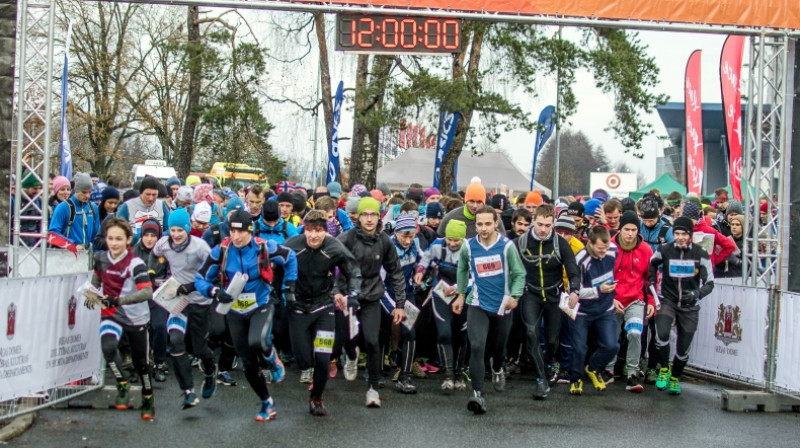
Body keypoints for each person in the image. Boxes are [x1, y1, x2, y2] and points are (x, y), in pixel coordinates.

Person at [195, 209, 294, 421]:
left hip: (260, 304)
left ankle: (272, 358)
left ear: (251, 231)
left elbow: (290, 256)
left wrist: (289, 285)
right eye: (232, 231)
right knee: (248, 363)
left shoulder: (264, 247)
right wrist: (213, 291)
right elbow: (200, 278)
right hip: (234, 310)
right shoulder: (221, 250)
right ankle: (267, 403)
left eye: (241, 232)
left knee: (257, 341)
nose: (236, 237)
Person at [283, 210, 361, 416]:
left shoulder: (335, 247)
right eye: (310, 230)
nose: (314, 236)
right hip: (298, 308)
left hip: (323, 307)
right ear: (304, 230)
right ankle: (307, 368)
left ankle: (316, 398)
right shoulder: (292, 245)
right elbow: (272, 267)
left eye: (319, 231)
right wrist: (282, 292)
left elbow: (353, 270)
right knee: (304, 360)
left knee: (323, 358)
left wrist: (352, 294)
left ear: (326, 232)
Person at [452, 205, 525, 414]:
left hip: (502, 306)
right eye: (479, 224)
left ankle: (497, 367)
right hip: (477, 304)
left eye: (487, 224)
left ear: (495, 224)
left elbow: (519, 274)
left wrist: (515, 296)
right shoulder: (468, 246)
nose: (483, 228)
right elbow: (463, 269)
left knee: (499, 348)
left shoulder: (506, 247)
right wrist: (460, 295)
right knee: (476, 346)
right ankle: (477, 394)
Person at [338, 197, 407, 408]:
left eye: (373, 214)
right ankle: (350, 356)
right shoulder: (346, 238)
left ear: (379, 217)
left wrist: (400, 304)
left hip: (371, 296)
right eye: (365, 214)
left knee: (372, 340)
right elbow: (329, 266)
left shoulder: (384, 241)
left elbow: (396, 272)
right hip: (348, 296)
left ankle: (373, 389)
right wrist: (335, 292)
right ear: (358, 217)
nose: (369, 219)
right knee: (349, 338)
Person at [84, 218, 155, 420]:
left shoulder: (136, 263)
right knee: (108, 348)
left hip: (135, 316)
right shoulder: (100, 258)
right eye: (110, 238)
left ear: (128, 240)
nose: (114, 243)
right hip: (111, 314)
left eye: (119, 239)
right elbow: (96, 283)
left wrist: (119, 300)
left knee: (141, 364)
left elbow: (147, 292)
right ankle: (122, 383)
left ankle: (148, 396)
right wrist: (91, 295)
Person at [148, 208, 216, 409]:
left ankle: (211, 372)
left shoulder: (200, 247)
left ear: (188, 228)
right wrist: (152, 273)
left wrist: (192, 286)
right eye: (173, 230)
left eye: (180, 230)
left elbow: (212, 273)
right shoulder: (164, 243)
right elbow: (154, 255)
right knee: (176, 341)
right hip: (179, 302)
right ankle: (188, 390)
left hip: (200, 302)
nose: (176, 235)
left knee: (199, 348)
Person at [516, 204, 581, 398]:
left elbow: (573, 269)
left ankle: (543, 368)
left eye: (547, 225)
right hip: (531, 294)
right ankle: (541, 380)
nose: (543, 229)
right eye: (539, 224)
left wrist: (574, 291)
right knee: (531, 333)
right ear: (533, 221)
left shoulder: (560, 243)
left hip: (554, 295)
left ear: (553, 223)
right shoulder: (520, 242)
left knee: (552, 342)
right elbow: (507, 265)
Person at [649, 217, 715, 395]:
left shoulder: (701, 253)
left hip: (689, 305)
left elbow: (710, 282)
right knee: (661, 333)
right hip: (667, 300)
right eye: (677, 233)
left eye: (684, 234)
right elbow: (652, 264)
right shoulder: (665, 249)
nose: (680, 237)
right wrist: (652, 280)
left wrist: (696, 294)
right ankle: (663, 369)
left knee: (683, 348)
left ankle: (675, 377)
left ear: (690, 235)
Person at [414, 220, 468, 391]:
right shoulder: (438, 245)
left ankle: (459, 373)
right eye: (449, 239)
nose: (452, 244)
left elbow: (475, 276)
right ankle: (448, 374)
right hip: (441, 293)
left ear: (463, 239)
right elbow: (426, 259)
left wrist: (459, 289)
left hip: (463, 294)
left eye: (456, 241)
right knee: (444, 333)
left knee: (460, 336)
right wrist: (420, 271)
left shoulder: (470, 250)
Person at [567, 226, 620, 396]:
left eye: (606, 248)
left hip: (605, 308)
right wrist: (598, 291)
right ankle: (575, 378)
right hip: (583, 311)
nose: (604, 252)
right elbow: (573, 290)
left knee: (612, 345)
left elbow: (615, 271)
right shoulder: (580, 259)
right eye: (599, 249)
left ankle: (594, 368)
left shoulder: (612, 250)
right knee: (579, 348)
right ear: (589, 243)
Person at [606, 211, 654, 392]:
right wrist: (611, 299)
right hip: (613, 299)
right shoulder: (610, 247)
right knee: (611, 336)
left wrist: (651, 301)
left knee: (635, 333)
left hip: (635, 300)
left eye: (634, 229)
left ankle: (632, 374)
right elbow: (601, 277)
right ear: (620, 229)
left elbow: (650, 279)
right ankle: (608, 370)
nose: (630, 233)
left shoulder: (646, 250)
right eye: (627, 229)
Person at [131, 219, 169, 383]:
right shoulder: (134, 251)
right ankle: (135, 364)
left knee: (159, 326)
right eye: (146, 235)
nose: (149, 239)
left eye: (153, 235)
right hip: (139, 296)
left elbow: (170, 274)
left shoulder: (164, 251)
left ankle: (159, 362)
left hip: (158, 295)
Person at [48, 172, 100, 252]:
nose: (88, 196)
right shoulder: (63, 207)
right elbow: (53, 233)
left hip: (87, 255)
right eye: (84, 192)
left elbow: (96, 235)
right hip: (67, 255)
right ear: (76, 190)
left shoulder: (93, 208)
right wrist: (72, 245)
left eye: (90, 192)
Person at [438, 182, 505, 239]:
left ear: (484, 202)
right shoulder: (451, 217)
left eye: (479, 202)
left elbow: (503, 240)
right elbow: (439, 239)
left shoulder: (493, 217)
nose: (475, 206)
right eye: (471, 201)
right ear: (465, 200)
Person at [116, 176, 170, 245]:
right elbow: (118, 230)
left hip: (157, 247)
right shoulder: (127, 206)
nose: (151, 198)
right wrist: (139, 237)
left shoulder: (161, 205)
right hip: (134, 248)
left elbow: (170, 228)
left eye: (154, 195)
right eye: (147, 194)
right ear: (141, 193)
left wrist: (158, 236)